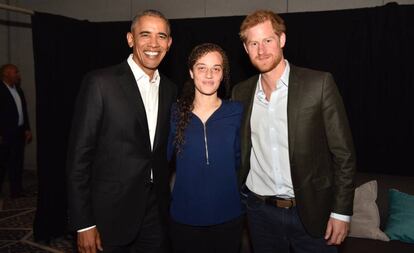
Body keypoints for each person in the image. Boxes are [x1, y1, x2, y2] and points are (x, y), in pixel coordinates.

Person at [231, 10, 356, 253]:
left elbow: (344, 154)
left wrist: (341, 212)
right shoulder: (240, 93)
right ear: (246, 50)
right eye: (253, 43)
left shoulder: (318, 84)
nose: (261, 50)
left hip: (311, 212)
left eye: (268, 40)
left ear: (282, 40)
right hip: (259, 213)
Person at [66, 9, 176, 253]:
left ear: (169, 43)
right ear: (130, 39)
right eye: (145, 35)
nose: (153, 44)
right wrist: (84, 223)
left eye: (161, 36)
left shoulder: (170, 89)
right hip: (109, 216)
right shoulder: (100, 83)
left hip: (155, 214)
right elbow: (78, 159)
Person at [167, 43, 243, 253]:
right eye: (202, 68)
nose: (209, 75)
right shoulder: (174, 113)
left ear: (222, 75)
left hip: (229, 218)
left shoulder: (237, 112)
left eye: (216, 68)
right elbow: (159, 162)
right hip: (184, 220)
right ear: (191, 72)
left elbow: (242, 162)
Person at [0, 64, 32, 199]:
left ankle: (16, 191)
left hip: (18, 133)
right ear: (6, 74)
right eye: (15, 72)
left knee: (17, 163)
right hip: (4, 134)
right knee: (1, 164)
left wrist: (27, 129)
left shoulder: (18, 89)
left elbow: (23, 111)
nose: (18, 75)